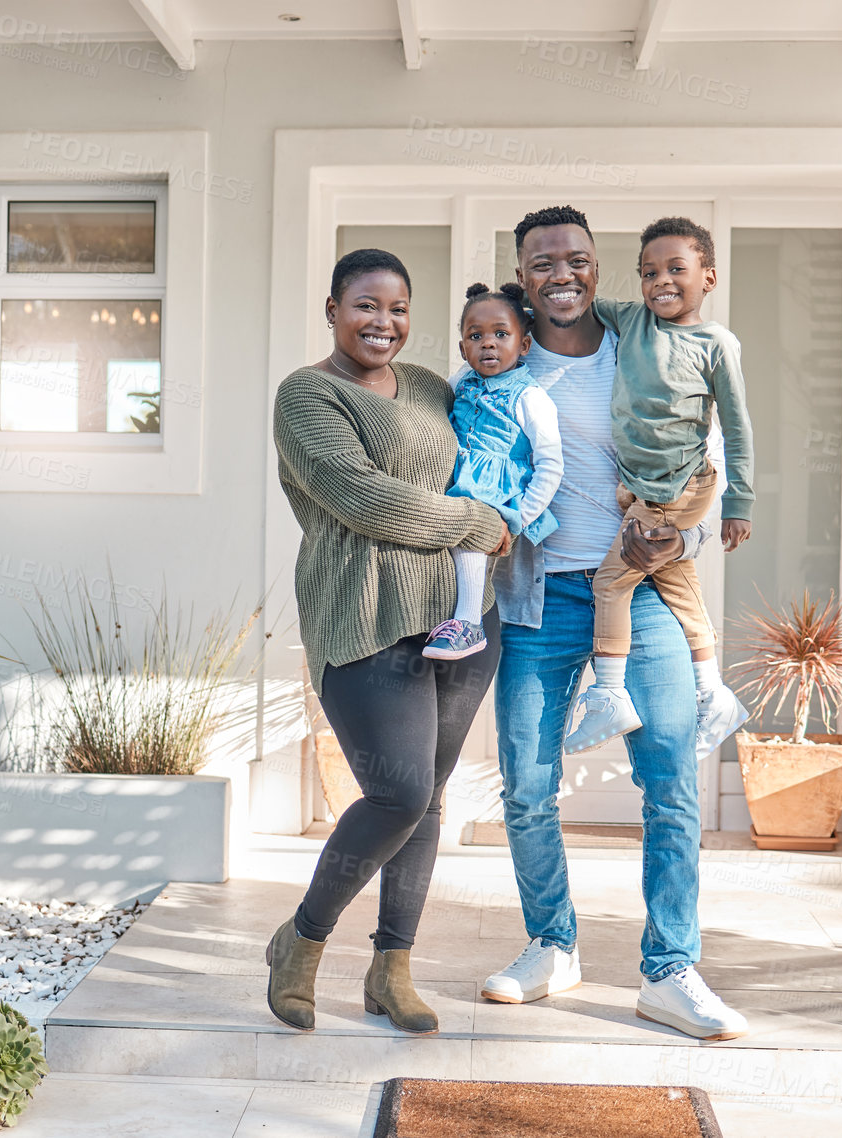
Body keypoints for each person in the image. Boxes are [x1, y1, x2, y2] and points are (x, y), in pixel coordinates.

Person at [482, 206, 750, 1041]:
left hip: (641, 594)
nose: (560, 274)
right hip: (538, 597)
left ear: (597, 270)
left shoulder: (648, 345)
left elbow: (699, 469)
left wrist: (690, 530)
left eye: (576, 260)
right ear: (521, 277)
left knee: (669, 781)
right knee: (526, 785)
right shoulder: (502, 366)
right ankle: (551, 946)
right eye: (540, 263)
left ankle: (670, 970)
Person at [268, 248, 511, 1036]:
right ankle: (300, 942)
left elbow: (490, 453)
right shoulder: (307, 394)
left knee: (428, 801)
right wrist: (474, 522)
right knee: (396, 793)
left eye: (399, 309)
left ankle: (390, 967)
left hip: (463, 617)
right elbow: (360, 496)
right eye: (366, 306)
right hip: (364, 613)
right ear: (333, 308)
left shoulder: (435, 390)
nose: (384, 323)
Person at [562, 217, 754, 758]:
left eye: (676, 269)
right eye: (649, 272)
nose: (661, 281)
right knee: (676, 580)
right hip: (642, 490)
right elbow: (576, 298)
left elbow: (738, 428)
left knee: (610, 583)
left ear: (708, 278)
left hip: (681, 485)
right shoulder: (630, 319)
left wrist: (740, 503)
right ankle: (714, 694)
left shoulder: (716, 344)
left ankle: (609, 693)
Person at [423, 281, 563, 661]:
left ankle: (468, 624)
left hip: (499, 491)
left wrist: (519, 517)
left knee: (471, 530)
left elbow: (551, 465)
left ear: (524, 345)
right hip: (460, 476)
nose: (488, 343)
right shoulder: (460, 381)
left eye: (501, 334)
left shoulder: (530, 397)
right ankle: (447, 615)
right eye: (476, 336)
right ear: (462, 348)